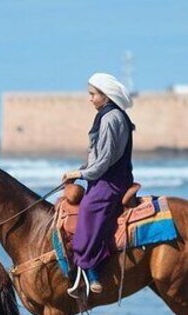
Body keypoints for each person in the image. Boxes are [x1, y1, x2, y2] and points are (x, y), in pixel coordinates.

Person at [60, 73, 136, 295]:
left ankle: (90, 267)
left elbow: (104, 160)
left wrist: (80, 173)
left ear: (106, 96)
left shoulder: (111, 118)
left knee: (89, 208)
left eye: (93, 94)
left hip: (111, 180)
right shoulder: (106, 116)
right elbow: (97, 155)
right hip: (104, 175)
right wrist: (80, 171)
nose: (90, 99)